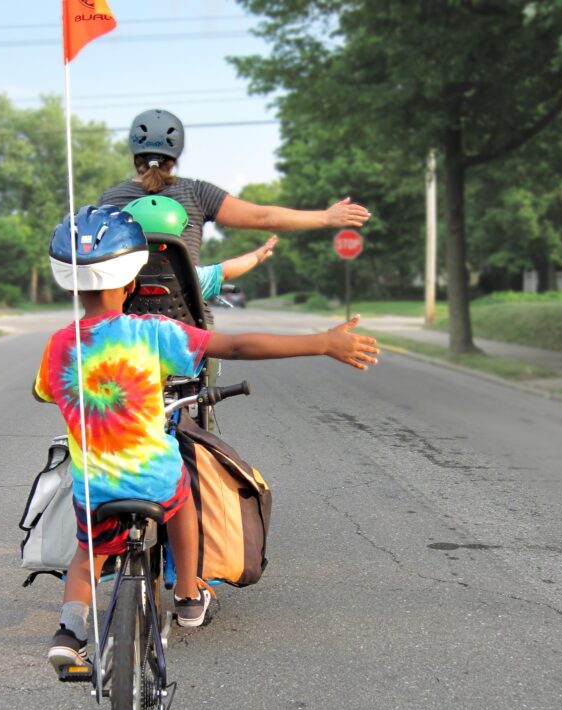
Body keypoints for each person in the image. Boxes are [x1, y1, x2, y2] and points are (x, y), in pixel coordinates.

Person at [36, 205, 378, 671]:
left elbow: (43, 392)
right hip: (153, 479)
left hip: (94, 488)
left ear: (72, 285)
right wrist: (322, 342)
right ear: (133, 283)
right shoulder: (152, 333)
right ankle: (188, 594)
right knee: (183, 505)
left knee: (87, 556)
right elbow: (235, 346)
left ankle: (69, 633)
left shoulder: (59, 345)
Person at [98, 108, 370, 265]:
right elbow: (263, 217)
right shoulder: (196, 193)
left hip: (124, 321)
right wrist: (326, 217)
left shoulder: (109, 200)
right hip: (185, 320)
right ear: (176, 155)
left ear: (135, 153)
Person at [123, 194, 278, 300]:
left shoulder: (118, 276)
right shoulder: (189, 276)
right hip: (182, 347)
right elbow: (226, 271)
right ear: (169, 242)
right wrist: (257, 256)